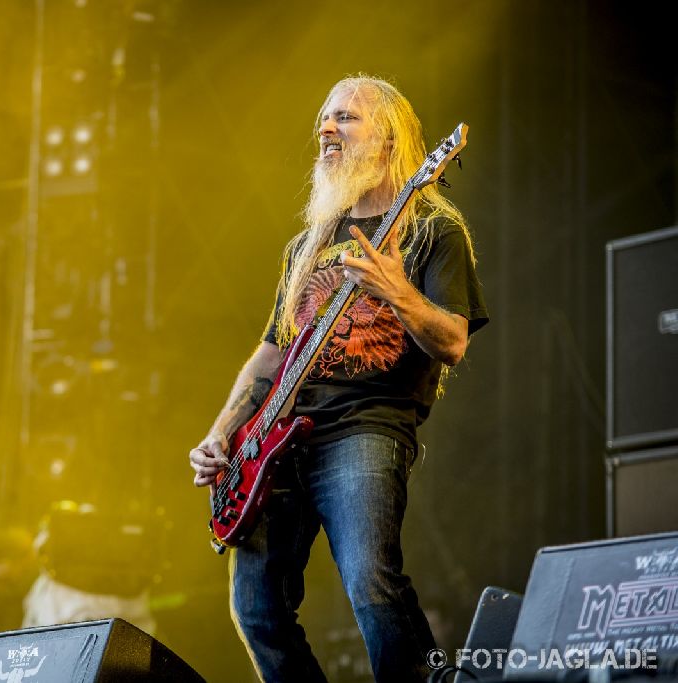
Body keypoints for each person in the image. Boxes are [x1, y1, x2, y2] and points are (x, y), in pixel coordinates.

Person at [188, 74, 488, 682]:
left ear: (388, 138)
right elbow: (273, 351)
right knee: (256, 608)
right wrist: (223, 433)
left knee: (372, 583)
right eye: (324, 118)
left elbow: (453, 341)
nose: (327, 128)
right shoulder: (308, 245)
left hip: (366, 426)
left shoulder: (434, 230)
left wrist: (394, 289)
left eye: (346, 118)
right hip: (275, 439)